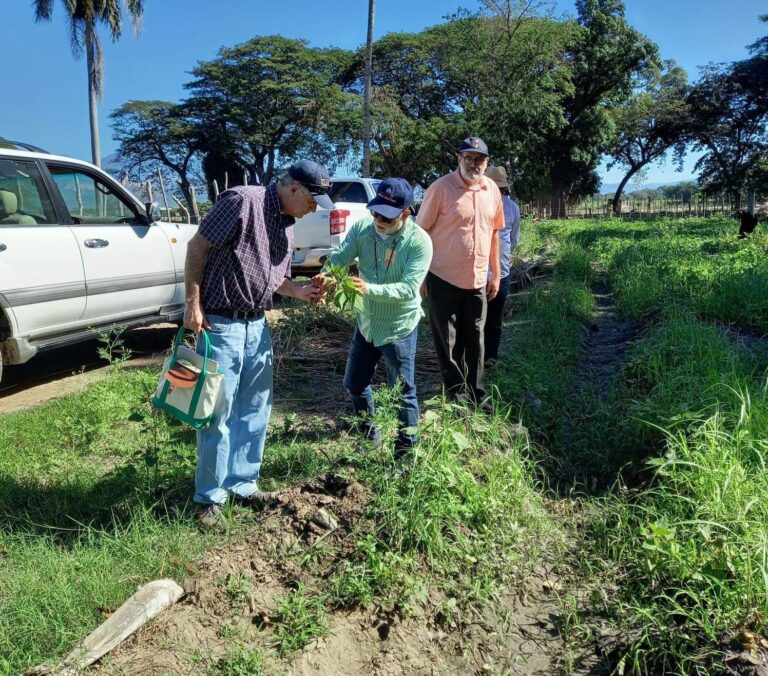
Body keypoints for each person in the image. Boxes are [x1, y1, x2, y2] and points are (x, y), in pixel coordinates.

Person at [183, 160, 333, 529]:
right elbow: (197, 247)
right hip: (220, 323)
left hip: (256, 325)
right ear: (295, 188)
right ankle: (209, 497)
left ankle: (243, 484)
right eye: (312, 202)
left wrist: (299, 291)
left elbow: (274, 279)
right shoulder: (241, 201)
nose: (312, 210)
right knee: (218, 413)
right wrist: (192, 303)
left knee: (256, 408)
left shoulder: (286, 225)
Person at [323, 178, 433, 453]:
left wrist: (368, 288)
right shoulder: (362, 229)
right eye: (375, 212)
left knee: (403, 393)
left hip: (398, 327)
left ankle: (406, 452)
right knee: (355, 384)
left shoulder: (419, 242)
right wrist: (325, 274)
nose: (378, 219)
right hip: (367, 324)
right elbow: (340, 256)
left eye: (386, 215)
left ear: (405, 213)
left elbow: (410, 289)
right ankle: (369, 438)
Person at [416, 136, 503, 409]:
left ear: (487, 162)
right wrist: (420, 277)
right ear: (459, 159)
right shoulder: (440, 189)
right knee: (448, 340)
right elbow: (419, 233)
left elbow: (495, 234)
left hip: (477, 278)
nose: (473, 164)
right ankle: (456, 396)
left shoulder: (492, 190)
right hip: (442, 277)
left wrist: (496, 273)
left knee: (476, 339)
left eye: (479, 159)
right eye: (468, 158)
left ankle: (477, 393)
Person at [483, 165, 521, 365]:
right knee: (475, 319)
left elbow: (513, 239)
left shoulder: (512, 207)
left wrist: (501, 259)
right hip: (478, 274)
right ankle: (474, 356)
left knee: (495, 319)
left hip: (501, 273)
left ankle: (490, 356)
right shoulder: (479, 204)